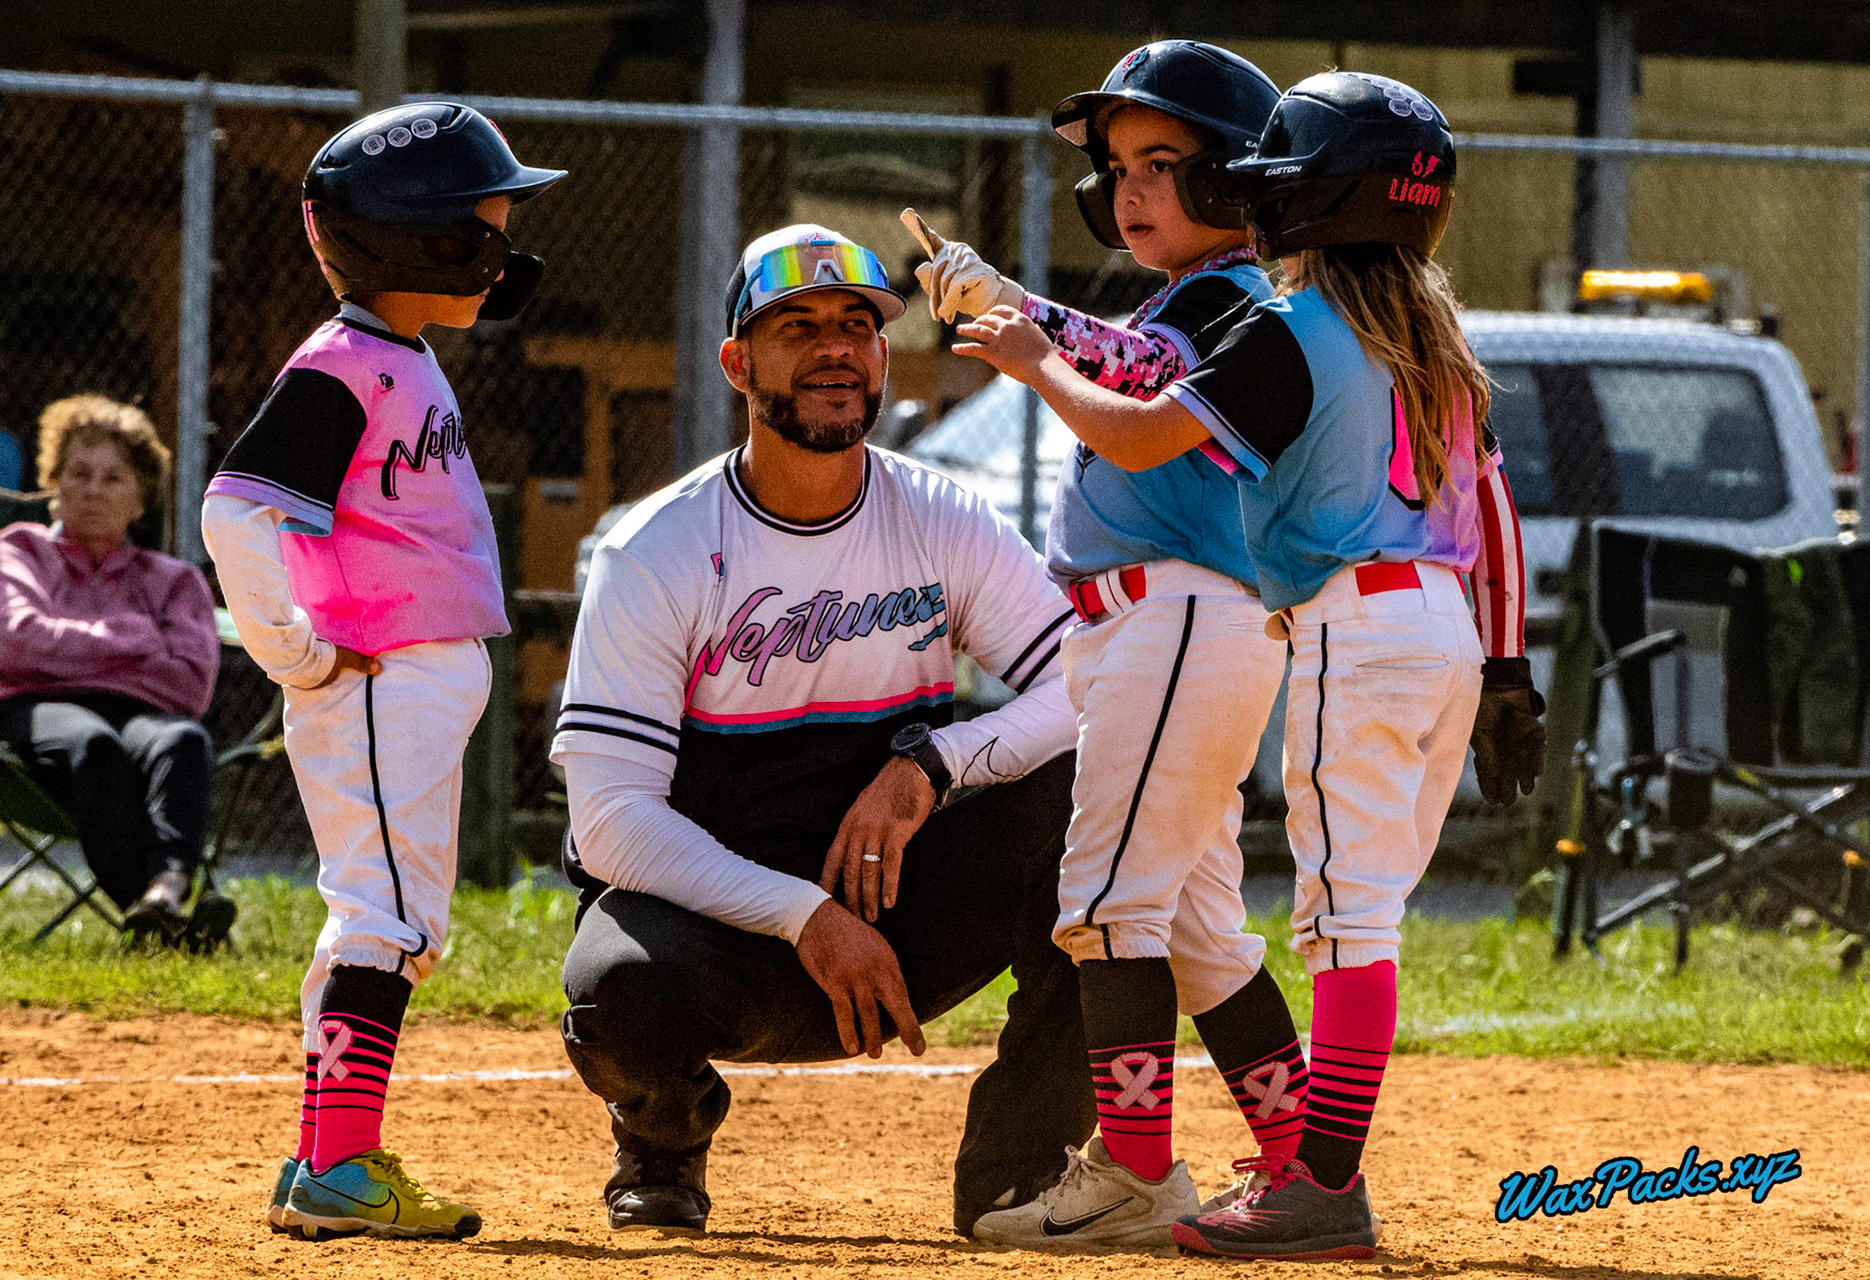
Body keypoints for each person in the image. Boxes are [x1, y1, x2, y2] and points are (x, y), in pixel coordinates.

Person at [951, 71, 1545, 1260]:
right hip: (1436, 632)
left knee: (1318, 924)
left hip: (1343, 628)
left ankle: (1297, 1178)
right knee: (1335, 919)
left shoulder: (1295, 327)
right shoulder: (1430, 337)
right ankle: (1304, 1166)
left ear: (1300, 200)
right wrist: (1509, 669)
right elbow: (1497, 513)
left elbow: (1134, 427)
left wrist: (1031, 357)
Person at [552, 224, 1093, 1240]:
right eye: (797, 327)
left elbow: (1084, 686)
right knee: (616, 992)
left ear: (886, 355)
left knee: (1110, 802)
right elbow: (612, 821)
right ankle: (663, 1144)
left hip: (899, 901)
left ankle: (1024, 1170)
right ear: (738, 362)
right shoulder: (657, 550)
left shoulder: (943, 518)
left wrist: (933, 762)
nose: (836, 347)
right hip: (729, 935)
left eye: (858, 325)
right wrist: (804, 914)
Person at [908, 40, 1316, 1251]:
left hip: (1184, 619)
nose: (1130, 190)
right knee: (1193, 930)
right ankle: (1301, 1163)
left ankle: (1138, 1173)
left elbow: (1136, 377)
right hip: (1153, 628)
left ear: (1235, 181)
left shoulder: (1231, 296)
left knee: (1100, 903)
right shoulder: (1182, 295)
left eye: (1162, 163)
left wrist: (1017, 313)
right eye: (1118, 169)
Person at [202, 102, 565, 1241]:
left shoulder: (398, 356)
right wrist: (299, 651)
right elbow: (234, 511)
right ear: (425, 242)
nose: (505, 248)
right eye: (488, 224)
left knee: (387, 913)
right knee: (390, 915)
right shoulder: (344, 365)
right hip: (374, 678)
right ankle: (341, 1165)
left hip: (409, 677)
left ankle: (324, 1153)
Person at [0, 394, 218, 936]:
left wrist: (66, 652)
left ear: (140, 498)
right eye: (78, 473)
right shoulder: (18, 551)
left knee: (182, 740)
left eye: (113, 477)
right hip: (25, 714)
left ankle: (167, 888)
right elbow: (13, 643)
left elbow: (190, 684)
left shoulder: (173, 581)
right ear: (53, 484)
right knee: (94, 743)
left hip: (139, 716)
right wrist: (135, 639)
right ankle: (158, 919)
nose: (93, 489)